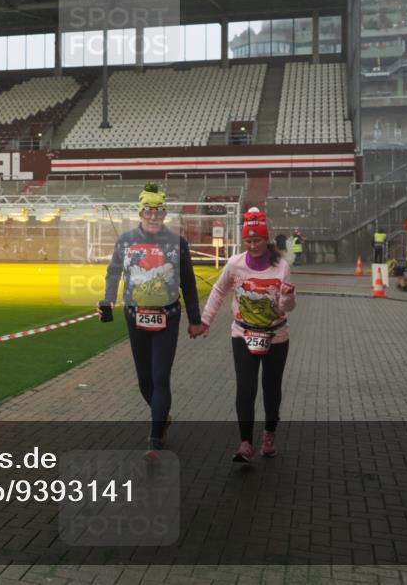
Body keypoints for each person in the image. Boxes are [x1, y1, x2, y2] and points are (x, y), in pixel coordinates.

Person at [99, 183, 204, 453]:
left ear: (165, 213)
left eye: (159, 210)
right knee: (144, 381)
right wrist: (108, 300)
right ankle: (163, 418)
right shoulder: (125, 240)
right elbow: (113, 273)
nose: (154, 215)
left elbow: (189, 284)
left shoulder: (178, 243)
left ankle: (155, 439)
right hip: (135, 318)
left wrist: (195, 319)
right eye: (148, 210)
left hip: (167, 318)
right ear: (140, 212)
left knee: (160, 378)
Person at [195, 207, 296, 462]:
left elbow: (287, 309)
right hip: (242, 334)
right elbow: (218, 291)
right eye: (248, 241)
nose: (253, 245)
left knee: (271, 389)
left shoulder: (281, 267)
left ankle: (269, 436)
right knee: (246, 388)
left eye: (257, 240)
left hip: (276, 336)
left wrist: (287, 297)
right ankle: (245, 443)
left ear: (267, 239)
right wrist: (205, 320)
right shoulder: (234, 264)